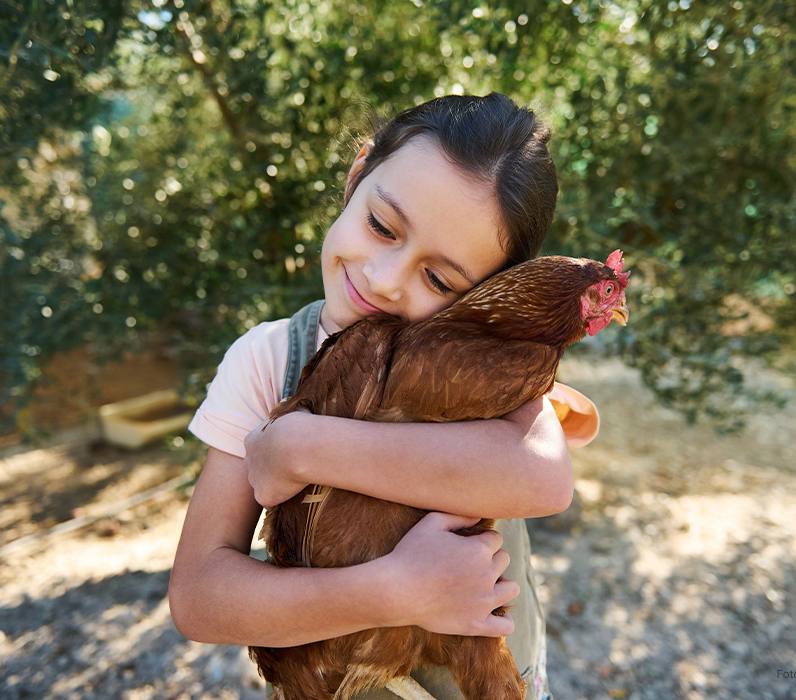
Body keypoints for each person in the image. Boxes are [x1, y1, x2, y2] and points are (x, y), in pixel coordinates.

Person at [169, 92, 601, 700]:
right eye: (381, 226)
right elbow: (198, 599)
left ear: (490, 290)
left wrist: (302, 445)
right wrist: (395, 589)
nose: (383, 279)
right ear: (356, 174)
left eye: (440, 278)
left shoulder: (490, 364)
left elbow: (544, 481)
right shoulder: (268, 361)